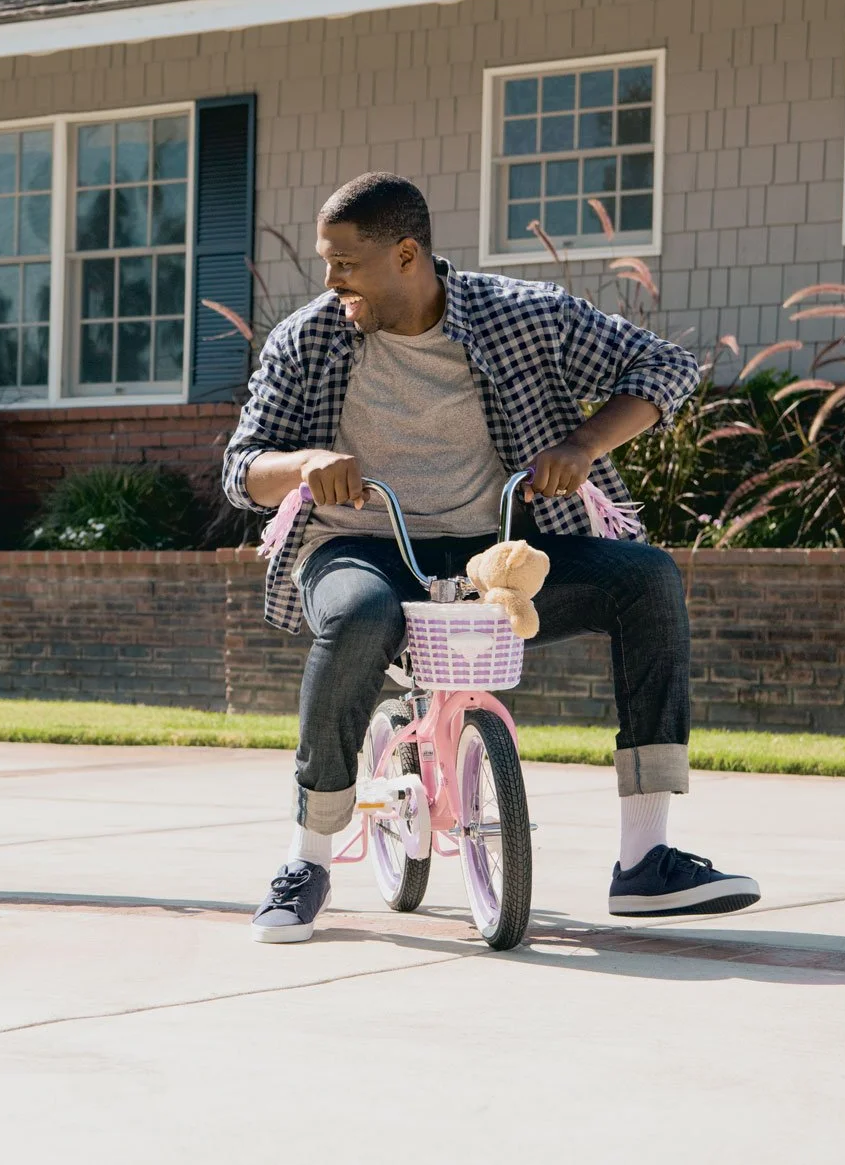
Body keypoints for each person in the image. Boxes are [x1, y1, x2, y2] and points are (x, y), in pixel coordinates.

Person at [223, 172, 759, 943]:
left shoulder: (521, 316)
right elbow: (240, 468)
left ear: (407, 255)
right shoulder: (309, 338)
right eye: (325, 260)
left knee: (647, 579)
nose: (330, 279)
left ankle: (645, 860)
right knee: (361, 614)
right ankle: (306, 860)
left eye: (345, 262)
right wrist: (304, 463)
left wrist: (583, 443)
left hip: (492, 556)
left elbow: (665, 367)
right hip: (358, 546)